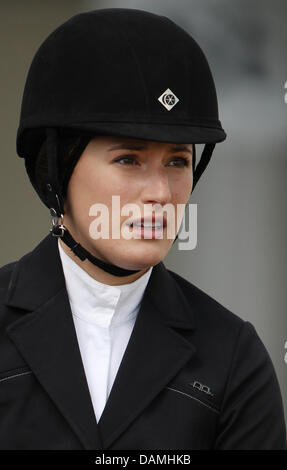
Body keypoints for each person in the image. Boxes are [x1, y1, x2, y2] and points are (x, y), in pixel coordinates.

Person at [0, 8, 286, 450]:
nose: (160, 193)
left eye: (177, 161)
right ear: (55, 170)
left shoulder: (233, 359)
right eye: (128, 160)